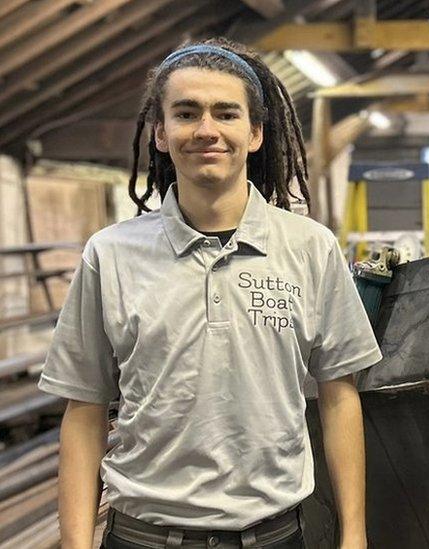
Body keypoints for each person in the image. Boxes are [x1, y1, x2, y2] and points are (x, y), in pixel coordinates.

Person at [39, 38, 381, 549]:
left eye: (226, 113)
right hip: (142, 537)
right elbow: (84, 411)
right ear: (160, 133)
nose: (206, 130)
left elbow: (338, 396)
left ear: (256, 132)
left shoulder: (311, 248)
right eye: (185, 113)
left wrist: (354, 538)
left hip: (274, 536)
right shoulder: (109, 255)